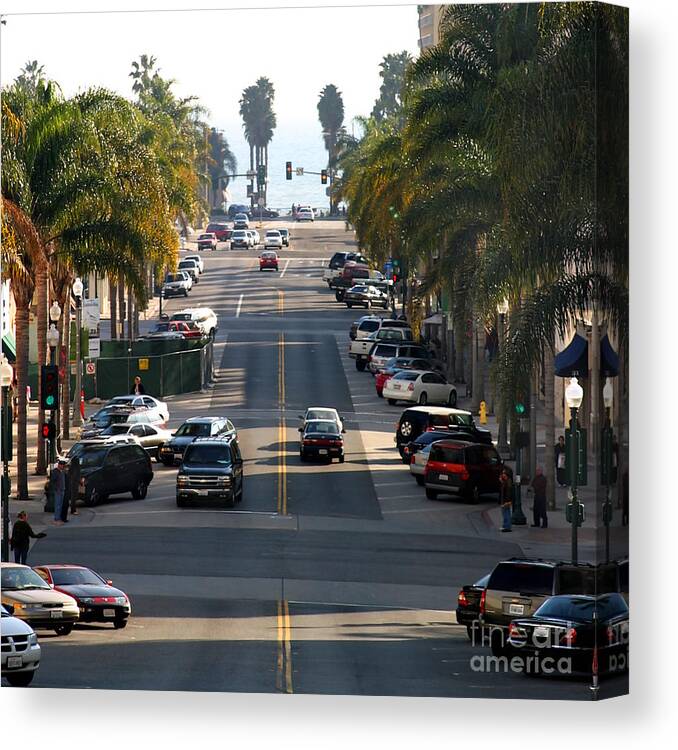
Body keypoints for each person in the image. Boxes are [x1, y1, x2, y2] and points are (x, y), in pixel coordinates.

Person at [50, 458, 67, 525]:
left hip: (62, 490)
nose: (63, 466)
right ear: (59, 465)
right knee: (57, 505)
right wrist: (56, 488)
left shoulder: (62, 472)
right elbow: (53, 481)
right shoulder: (56, 472)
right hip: (58, 490)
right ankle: (56, 518)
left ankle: (59, 518)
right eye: (62, 465)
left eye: (63, 465)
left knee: (60, 505)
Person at [499, 468, 513, 532]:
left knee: (506, 513)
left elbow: (508, 492)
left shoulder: (508, 481)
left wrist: (507, 502)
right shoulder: (505, 481)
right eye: (502, 473)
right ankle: (505, 526)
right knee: (504, 513)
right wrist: (502, 481)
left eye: (504, 473)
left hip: (506, 501)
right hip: (504, 500)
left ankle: (507, 527)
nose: (503, 474)